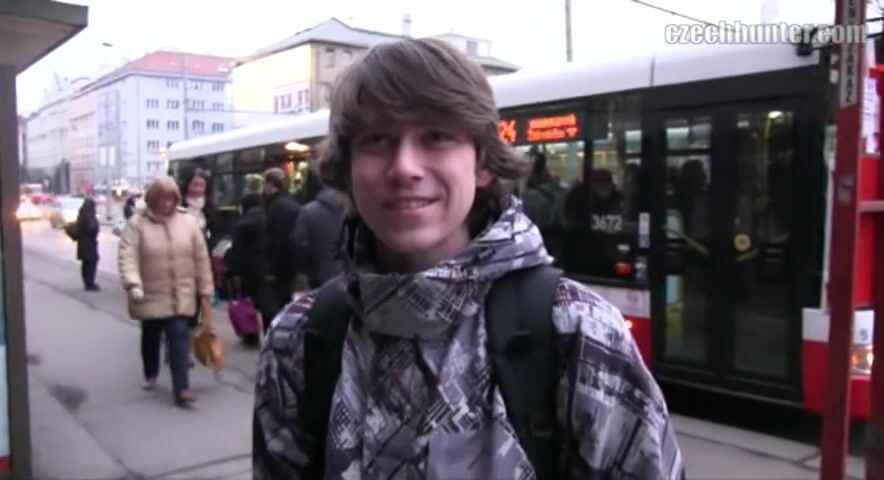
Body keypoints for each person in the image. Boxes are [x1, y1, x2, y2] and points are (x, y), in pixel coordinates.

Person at [253, 38, 684, 479]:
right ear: (347, 167)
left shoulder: (578, 333)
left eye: (437, 136)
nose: (405, 167)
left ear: (483, 163)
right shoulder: (298, 339)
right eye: (377, 140)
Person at [118, 176, 216, 408]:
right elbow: (128, 256)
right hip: (150, 293)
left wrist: (206, 291)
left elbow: (201, 259)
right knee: (151, 335)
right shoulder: (137, 224)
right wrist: (133, 283)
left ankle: (182, 389)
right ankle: (151, 372)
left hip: (180, 295)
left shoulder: (188, 222)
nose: (166, 204)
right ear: (152, 199)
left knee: (179, 338)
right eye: (161, 199)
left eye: (170, 199)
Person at [290, 167, 345, 291]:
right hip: (353, 277)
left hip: (320, 279)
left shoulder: (308, 211)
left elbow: (299, 247)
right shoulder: (355, 208)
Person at [260, 167, 300, 328]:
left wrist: (271, 270)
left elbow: (278, 241)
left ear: (270, 184)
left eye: (264, 183)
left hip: (279, 272)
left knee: (273, 311)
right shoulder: (291, 202)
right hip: (290, 268)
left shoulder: (277, 207)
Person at [75, 198, 100, 291]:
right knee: (92, 263)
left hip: (82, 244)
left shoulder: (81, 214)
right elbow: (92, 229)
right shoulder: (90, 216)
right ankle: (90, 283)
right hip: (89, 244)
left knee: (85, 264)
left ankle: (87, 282)